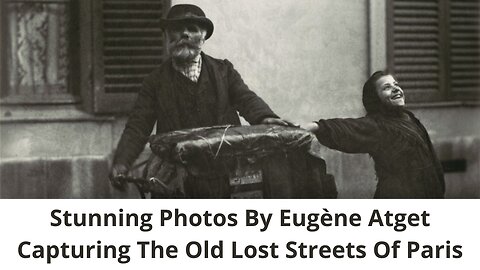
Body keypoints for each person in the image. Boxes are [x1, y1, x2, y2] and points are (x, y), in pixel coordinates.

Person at [109, 4, 292, 188]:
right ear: (166, 36)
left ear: (204, 37)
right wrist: (122, 163)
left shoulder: (224, 72)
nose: (184, 35)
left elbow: (246, 99)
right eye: (176, 29)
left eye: (192, 29)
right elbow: (137, 127)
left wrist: (265, 117)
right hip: (178, 178)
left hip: (225, 172)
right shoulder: (154, 82)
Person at [302, 71, 445, 198]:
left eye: (396, 84)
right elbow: (348, 128)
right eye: (386, 88)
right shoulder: (378, 126)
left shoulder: (409, 118)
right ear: (375, 98)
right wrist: (317, 126)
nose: (396, 89)